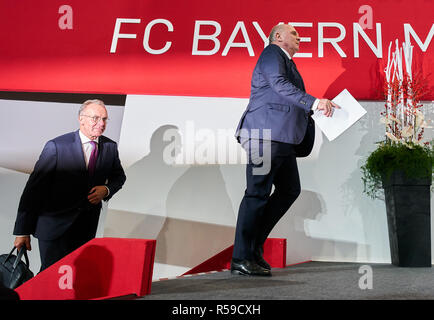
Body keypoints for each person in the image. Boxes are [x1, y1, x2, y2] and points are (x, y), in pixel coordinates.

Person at [231, 24, 340, 276]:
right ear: (278, 37)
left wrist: (314, 109)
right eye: (294, 33)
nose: (299, 37)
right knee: (256, 193)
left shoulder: (288, 61)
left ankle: (253, 248)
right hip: (264, 135)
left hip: (281, 139)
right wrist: (314, 102)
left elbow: (287, 94)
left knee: (290, 189)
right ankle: (240, 257)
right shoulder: (272, 53)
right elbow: (279, 84)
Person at [12, 99, 126, 271]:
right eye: (95, 118)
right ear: (81, 119)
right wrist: (22, 231)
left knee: (76, 279)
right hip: (54, 228)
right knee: (51, 279)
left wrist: (107, 189)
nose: (101, 124)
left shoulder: (110, 147)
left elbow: (119, 177)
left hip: (86, 229)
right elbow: (33, 191)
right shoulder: (57, 146)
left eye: (104, 119)